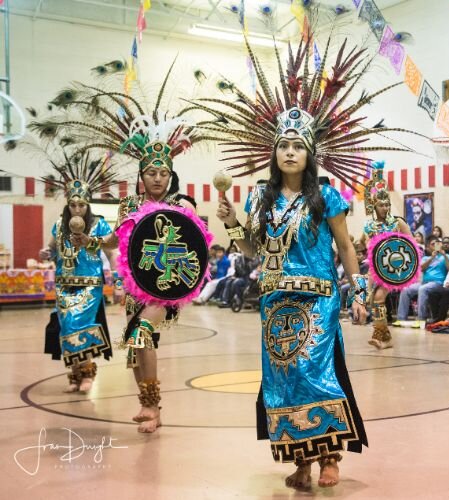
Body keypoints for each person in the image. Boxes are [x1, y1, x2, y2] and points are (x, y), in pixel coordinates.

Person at [207, 34, 422, 489]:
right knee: (282, 381)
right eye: (283, 145)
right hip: (275, 300)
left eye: (298, 146)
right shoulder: (259, 198)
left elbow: (346, 247)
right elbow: (251, 249)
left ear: (309, 153)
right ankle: (299, 463)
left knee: (319, 374)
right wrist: (230, 224)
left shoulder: (326, 195)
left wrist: (358, 290)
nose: (290, 152)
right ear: (274, 153)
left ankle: (330, 456)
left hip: (319, 298)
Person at [42, 67, 211, 433]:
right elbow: (115, 241)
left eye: (163, 173)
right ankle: (149, 406)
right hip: (137, 291)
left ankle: (152, 408)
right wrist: (89, 242)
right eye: (150, 172)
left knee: (140, 335)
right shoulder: (129, 207)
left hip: (166, 289)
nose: (157, 178)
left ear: (170, 175)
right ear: (141, 174)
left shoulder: (183, 205)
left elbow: (199, 247)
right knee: (135, 353)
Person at [38, 151, 120, 394]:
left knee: (80, 325)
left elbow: (112, 253)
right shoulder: (59, 225)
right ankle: (73, 376)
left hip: (90, 285)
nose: (77, 208)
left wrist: (117, 281)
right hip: (64, 285)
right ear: (68, 204)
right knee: (66, 328)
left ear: (88, 205)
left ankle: (88, 374)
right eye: (73, 204)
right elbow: (52, 250)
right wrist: (45, 252)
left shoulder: (99, 224)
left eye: (81, 204)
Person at [360, 161, 411, 349]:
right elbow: (362, 243)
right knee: (374, 300)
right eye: (381, 204)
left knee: (379, 298)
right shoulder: (369, 225)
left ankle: (380, 336)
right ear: (374, 206)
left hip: (393, 267)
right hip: (375, 266)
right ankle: (384, 336)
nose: (385, 207)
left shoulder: (398, 222)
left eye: (387, 204)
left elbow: (411, 245)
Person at [397, 235, 449, 322]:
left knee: (423, 289)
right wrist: (432, 258)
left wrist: (444, 255)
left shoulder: (446, 256)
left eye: (436, 243)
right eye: (432, 244)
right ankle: (401, 318)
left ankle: (421, 319)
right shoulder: (425, 258)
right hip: (424, 282)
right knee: (405, 289)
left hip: (438, 283)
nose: (435, 245)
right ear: (427, 248)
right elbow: (421, 269)